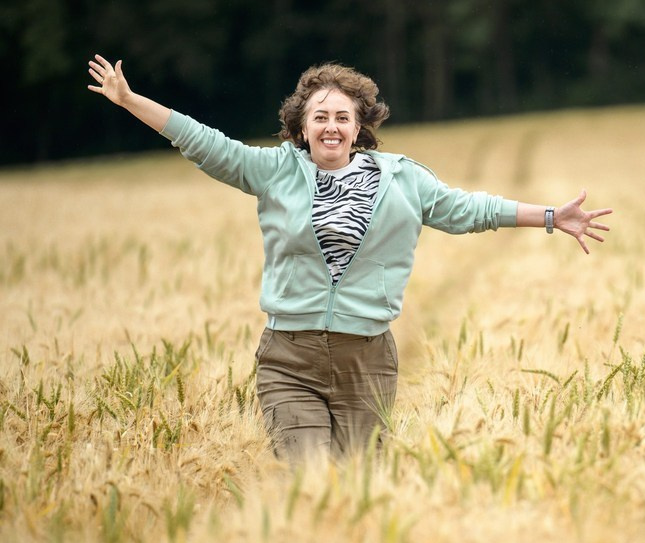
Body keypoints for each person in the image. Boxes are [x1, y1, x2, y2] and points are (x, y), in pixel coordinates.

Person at [88, 54, 612, 463]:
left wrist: (549, 216)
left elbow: (466, 209)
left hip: (368, 362)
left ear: (361, 126)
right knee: (311, 483)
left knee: (359, 490)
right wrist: (132, 101)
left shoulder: (403, 178)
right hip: (289, 360)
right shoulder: (274, 171)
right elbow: (206, 143)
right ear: (302, 126)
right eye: (320, 117)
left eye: (343, 116)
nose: (332, 126)